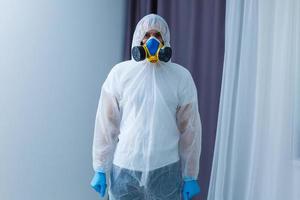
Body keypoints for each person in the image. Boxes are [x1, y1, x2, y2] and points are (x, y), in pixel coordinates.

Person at [90, 14, 202, 200]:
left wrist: (190, 174)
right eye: (147, 35)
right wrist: (100, 167)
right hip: (125, 169)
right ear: (138, 38)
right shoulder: (120, 74)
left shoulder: (180, 77)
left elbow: (190, 130)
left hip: (165, 170)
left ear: (165, 40)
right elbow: (106, 124)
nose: (152, 40)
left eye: (157, 35)